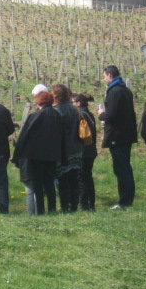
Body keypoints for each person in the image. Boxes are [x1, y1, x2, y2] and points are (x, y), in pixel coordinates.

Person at [12, 89, 65, 215]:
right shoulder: (57, 115)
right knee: (49, 183)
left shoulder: (36, 116)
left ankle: (40, 211)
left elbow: (25, 136)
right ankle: (52, 209)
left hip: (36, 156)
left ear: (39, 102)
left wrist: (17, 155)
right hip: (52, 155)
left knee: (37, 185)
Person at [98, 65, 138, 209]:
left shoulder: (114, 91)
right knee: (125, 167)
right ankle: (128, 199)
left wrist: (102, 115)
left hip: (118, 135)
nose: (103, 79)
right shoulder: (126, 90)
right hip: (126, 134)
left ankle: (124, 201)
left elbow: (112, 114)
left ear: (109, 75)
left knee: (121, 169)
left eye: (104, 76)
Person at [52, 84, 84, 213]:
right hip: (76, 148)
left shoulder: (56, 111)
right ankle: (74, 206)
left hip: (63, 150)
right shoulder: (75, 109)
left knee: (63, 178)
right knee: (74, 177)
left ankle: (65, 206)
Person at [71, 93, 98, 211]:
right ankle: (91, 204)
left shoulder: (79, 115)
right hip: (91, 150)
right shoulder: (90, 114)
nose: (71, 105)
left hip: (83, 151)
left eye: (72, 102)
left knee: (80, 178)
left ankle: (83, 205)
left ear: (78, 103)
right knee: (88, 177)